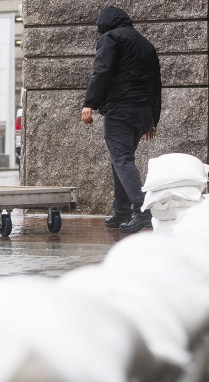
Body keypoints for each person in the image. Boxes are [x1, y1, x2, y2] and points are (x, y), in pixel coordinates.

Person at [81, 5, 162, 233]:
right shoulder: (146, 44)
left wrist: (90, 103)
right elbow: (156, 83)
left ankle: (143, 210)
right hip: (143, 112)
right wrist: (153, 118)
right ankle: (122, 211)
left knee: (122, 159)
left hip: (121, 110)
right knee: (121, 159)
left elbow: (102, 71)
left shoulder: (110, 38)